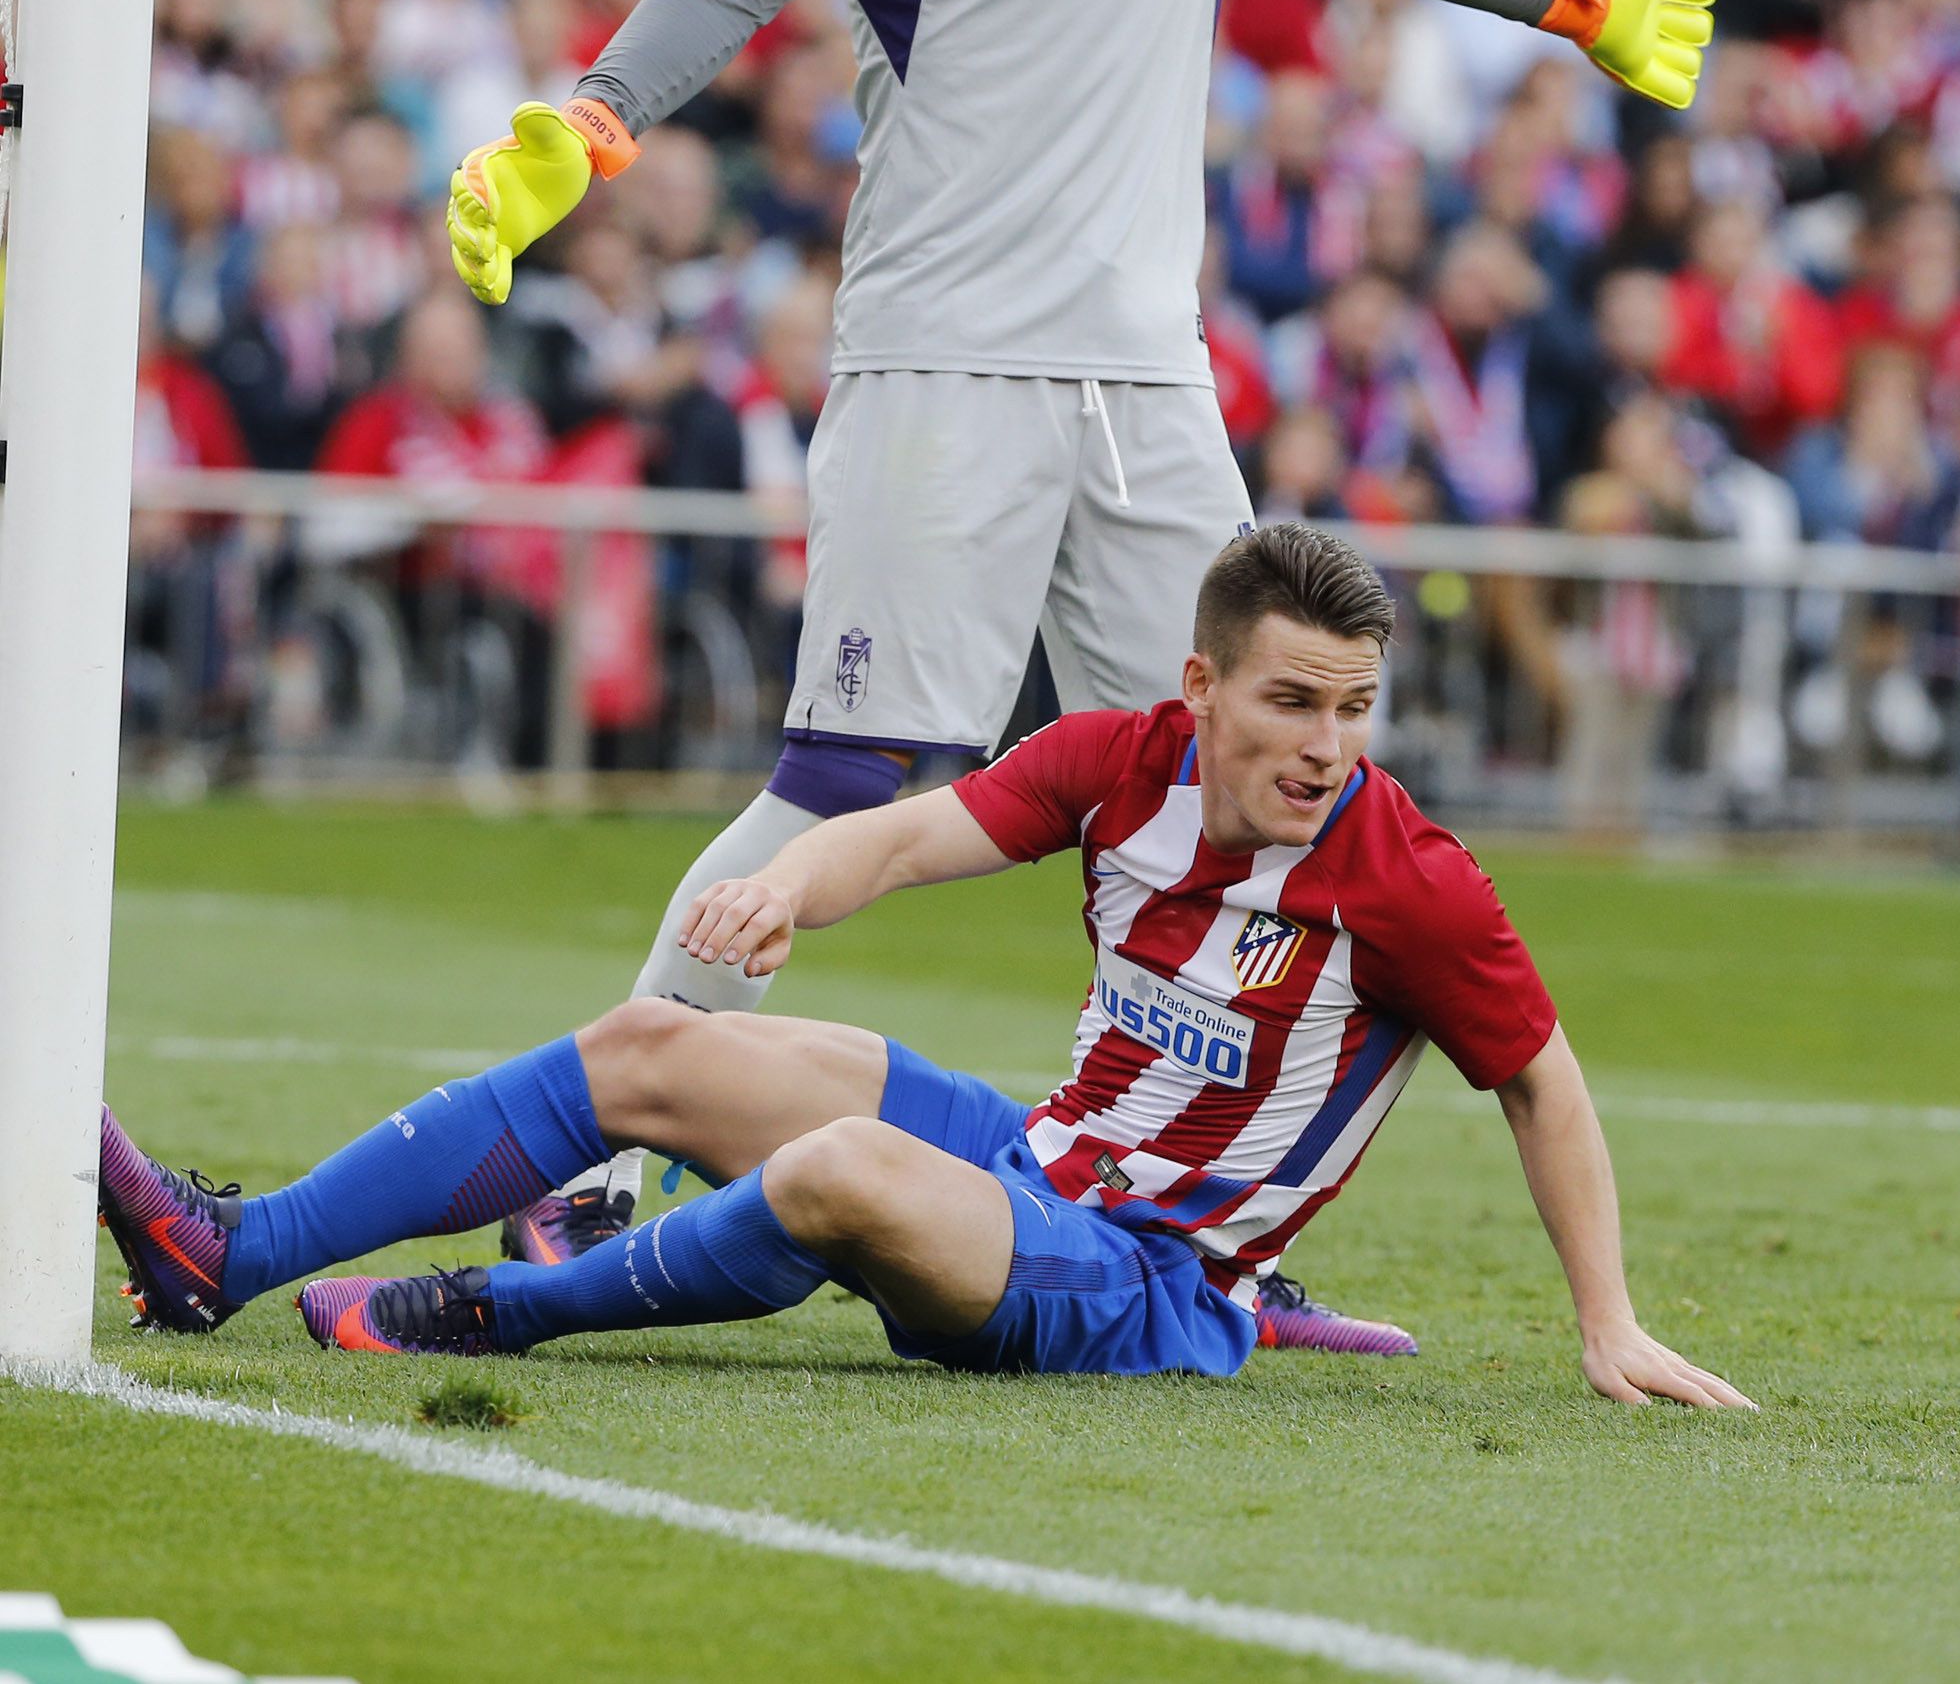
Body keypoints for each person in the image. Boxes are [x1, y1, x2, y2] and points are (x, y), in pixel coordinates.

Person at [440, 0, 1720, 1248]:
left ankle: (1182, 1225)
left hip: (1147, 386)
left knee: (1252, 793)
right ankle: (592, 1165)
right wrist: (593, 120)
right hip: (945, 358)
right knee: (843, 781)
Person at [96, 525, 1751, 1407]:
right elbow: (899, 833)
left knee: (844, 1172)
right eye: (1292, 702)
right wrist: (786, 893)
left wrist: (1606, 1323)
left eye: (1354, 708)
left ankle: (487, 1316)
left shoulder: (1411, 880)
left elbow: (1539, 1074)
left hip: (1153, 1288)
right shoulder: (1123, 758)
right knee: (653, 1040)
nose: (1327, 744)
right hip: (1033, 1164)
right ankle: (224, 1252)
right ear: (1202, 686)